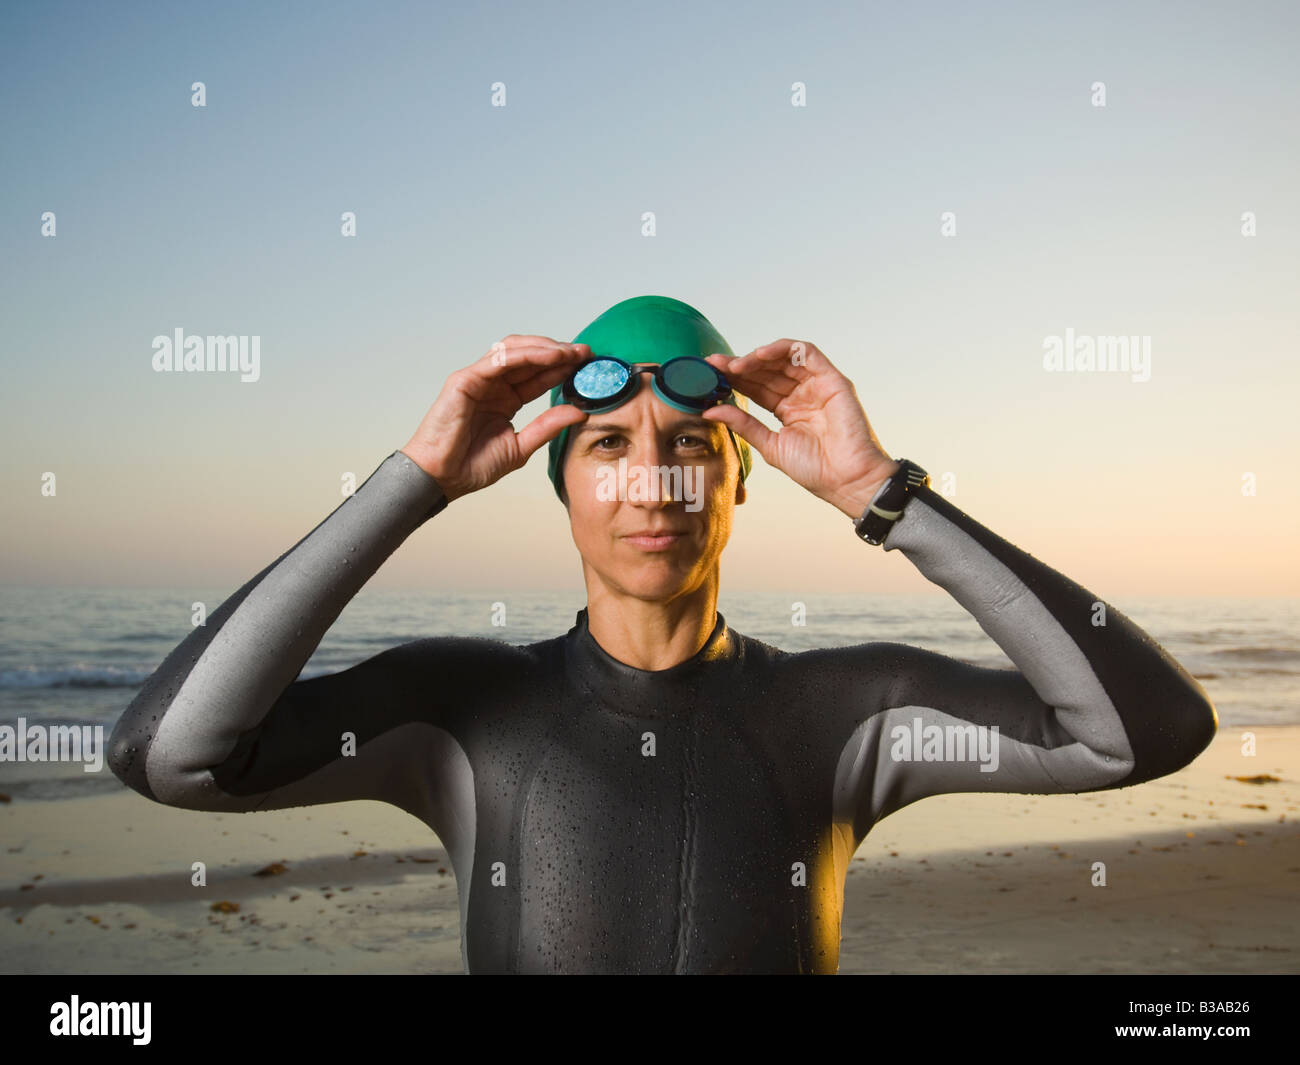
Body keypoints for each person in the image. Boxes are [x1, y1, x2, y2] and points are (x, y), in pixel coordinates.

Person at [108, 294, 1218, 974]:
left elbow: (1143, 731)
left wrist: (884, 493)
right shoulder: (454, 708)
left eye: (691, 443)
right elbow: (169, 755)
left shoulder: (849, 713)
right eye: (605, 446)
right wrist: (416, 484)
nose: (651, 478)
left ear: (738, 483)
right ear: (559, 486)